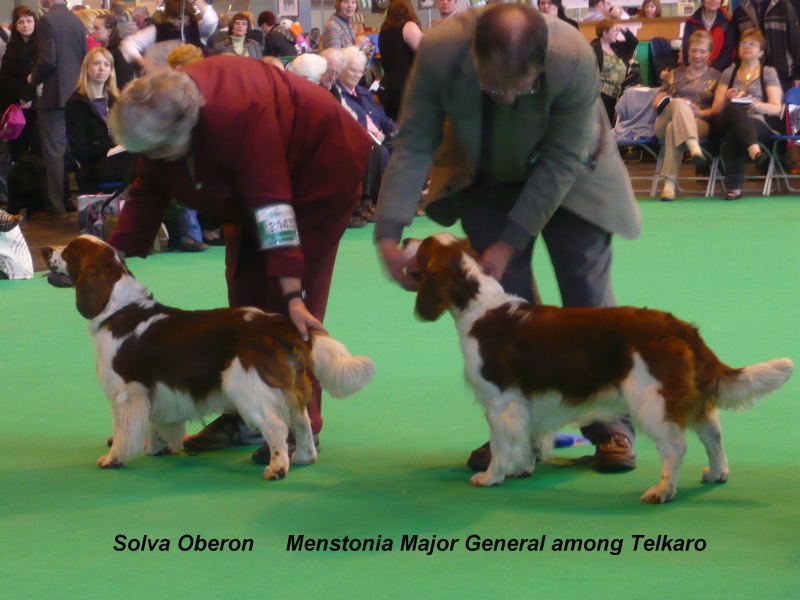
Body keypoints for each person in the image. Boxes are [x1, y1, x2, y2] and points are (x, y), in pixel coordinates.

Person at [375, 4, 641, 474]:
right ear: (474, 58)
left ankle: (611, 424)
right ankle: (515, 434)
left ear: (541, 65)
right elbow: (414, 140)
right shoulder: (439, 51)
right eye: (495, 86)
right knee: (505, 313)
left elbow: (562, 161)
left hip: (575, 173)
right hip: (485, 175)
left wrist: (508, 241)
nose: (510, 99)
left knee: (588, 298)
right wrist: (389, 232)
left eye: (524, 87)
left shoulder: (573, 55)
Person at [106, 56, 373, 462]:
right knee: (244, 287)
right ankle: (246, 412)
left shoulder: (240, 114)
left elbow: (272, 207)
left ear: (184, 131)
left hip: (319, 169)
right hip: (256, 183)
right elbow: (149, 185)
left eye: (159, 150)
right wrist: (113, 256)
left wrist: (294, 295)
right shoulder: (159, 111)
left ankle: (302, 423)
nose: (155, 157)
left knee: (284, 306)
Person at [710, 28, 784, 200]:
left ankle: (733, 188)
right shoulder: (729, 72)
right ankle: (754, 151)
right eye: (743, 43)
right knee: (734, 107)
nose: (747, 47)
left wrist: (753, 104)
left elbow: (776, 108)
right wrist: (727, 97)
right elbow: (716, 109)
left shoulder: (768, 72)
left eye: (752, 44)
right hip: (726, 118)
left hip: (758, 121)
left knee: (736, 132)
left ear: (761, 52)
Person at [28, 0, 86, 216]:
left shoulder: (46, 20)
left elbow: (48, 60)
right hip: (76, 93)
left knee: (53, 153)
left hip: (54, 95)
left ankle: (55, 205)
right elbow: (83, 56)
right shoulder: (77, 21)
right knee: (71, 151)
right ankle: (73, 201)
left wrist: (33, 78)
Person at [653, 31, 721, 201]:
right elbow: (657, 102)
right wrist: (674, 103)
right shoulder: (674, 74)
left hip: (700, 121)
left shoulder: (716, 76)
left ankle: (669, 185)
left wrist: (699, 112)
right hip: (665, 118)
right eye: (694, 51)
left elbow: (716, 109)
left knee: (673, 129)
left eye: (702, 51)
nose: (697, 55)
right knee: (677, 103)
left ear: (709, 54)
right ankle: (693, 147)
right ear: (687, 52)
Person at [65, 47, 136, 195]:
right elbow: (81, 152)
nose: (102, 68)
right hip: (95, 166)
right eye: (96, 63)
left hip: (122, 157)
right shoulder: (76, 103)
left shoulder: (116, 99)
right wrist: (111, 142)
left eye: (107, 64)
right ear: (87, 68)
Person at [120, 0, 217, 71]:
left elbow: (211, 20)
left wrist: (193, 1)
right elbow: (128, 43)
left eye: (181, 19)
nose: (176, 23)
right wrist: (142, 61)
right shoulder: (157, 30)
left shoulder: (199, 28)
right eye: (172, 18)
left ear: (190, 17)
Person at [732, 0, 800, 92]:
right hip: (753, 75)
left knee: (780, 105)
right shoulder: (740, 10)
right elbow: (737, 43)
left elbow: (795, 40)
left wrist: (798, 74)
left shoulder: (783, 5)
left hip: (783, 73)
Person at [0, 7, 39, 164]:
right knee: (17, 145)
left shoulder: (41, 46)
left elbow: (40, 73)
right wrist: (21, 96)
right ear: (15, 26)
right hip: (15, 102)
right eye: (21, 22)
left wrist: (28, 96)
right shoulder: (12, 47)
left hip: (35, 101)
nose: (25, 25)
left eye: (29, 21)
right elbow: (6, 76)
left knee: (34, 143)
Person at [378, 0, 424, 121]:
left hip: (387, 87)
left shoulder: (384, 29)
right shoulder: (409, 26)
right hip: (405, 88)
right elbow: (425, 53)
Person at [591, 18, 638, 123]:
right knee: (603, 122)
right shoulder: (594, 48)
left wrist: (623, 30)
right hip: (602, 93)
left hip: (618, 92)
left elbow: (633, 43)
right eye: (614, 31)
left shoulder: (616, 46)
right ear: (605, 33)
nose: (617, 33)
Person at [682, 0, 735, 73]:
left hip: (720, 72)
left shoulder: (728, 22)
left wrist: (713, 68)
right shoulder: (691, 22)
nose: (713, 0)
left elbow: (728, 51)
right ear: (702, 1)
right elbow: (687, 48)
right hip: (695, 71)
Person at [92, 13, 135, 88]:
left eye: (97, 28)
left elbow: (123, 81)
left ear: (109, 31)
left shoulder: (119, 51)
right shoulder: (105, 48)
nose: (93, 31)